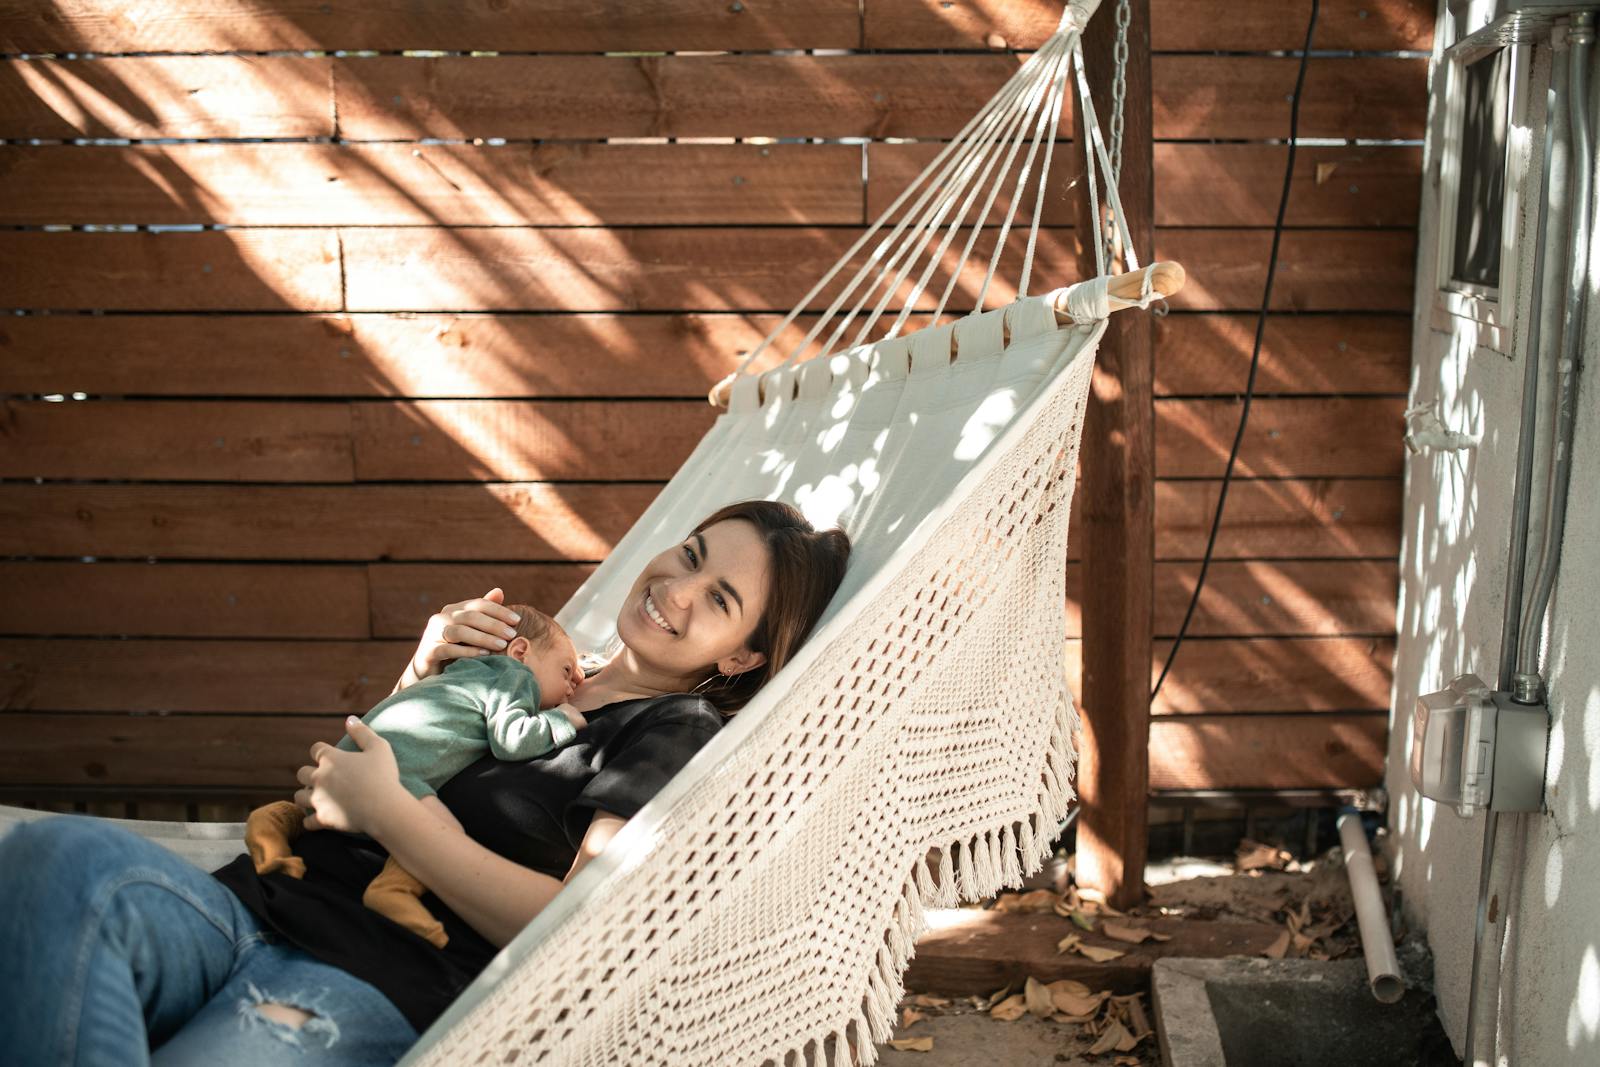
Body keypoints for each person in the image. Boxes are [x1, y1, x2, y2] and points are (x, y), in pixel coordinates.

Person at [0, 500, 851, 1066]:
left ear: (741, 656)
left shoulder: (672, 731)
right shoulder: (542, 660)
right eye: (690, 554)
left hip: (371, 978)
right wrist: (421, 675)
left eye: (721, 595)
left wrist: (398, 820)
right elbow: (394, 756)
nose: (678, 586)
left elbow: (589, 926)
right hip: (250, 901)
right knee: (51, 862)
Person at [243, 605, 586, 949]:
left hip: (355, 755)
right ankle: (393, 890)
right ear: (520, 651)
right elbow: (510, 739)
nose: (573, 685)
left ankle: (269, 824)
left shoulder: (460, 673)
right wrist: (562, 721)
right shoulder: (514, 676)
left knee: (304, 814)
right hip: (393, 774)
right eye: (566, 670)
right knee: (441, 831)